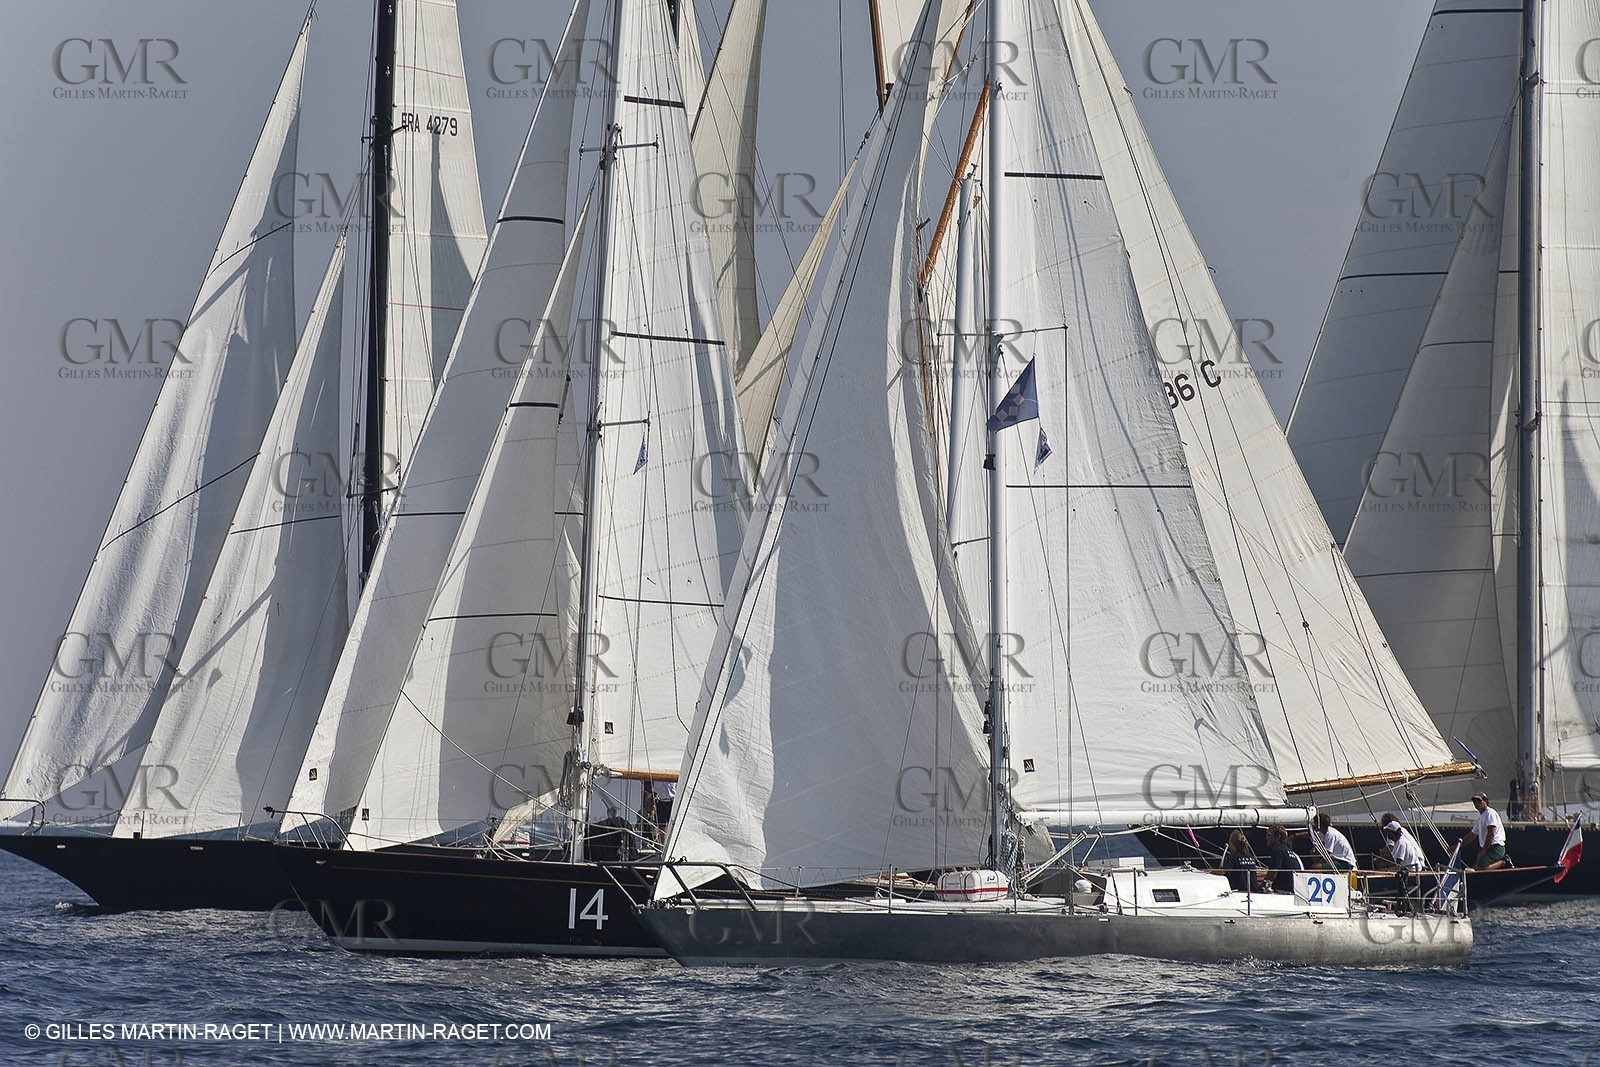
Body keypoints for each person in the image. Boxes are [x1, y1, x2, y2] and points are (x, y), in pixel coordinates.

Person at [1462, 792, 1510, 870]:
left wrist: (1484, 850)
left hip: (1496, 847)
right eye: (1474, 801)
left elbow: (1491, 833)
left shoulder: (1490, 813)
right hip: (1488, 848)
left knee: (1481, 868)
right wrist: (1458, 846)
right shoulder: (1481, 818)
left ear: (1485, 801)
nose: (1476, 803)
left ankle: (1503, 862)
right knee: (1475, 868)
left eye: (1479, 800)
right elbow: (1472, 835)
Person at [1256, 824, 1304, 893]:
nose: (1266, 838)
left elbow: (1272, 874)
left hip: (1284, 890)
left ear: (1278, 837)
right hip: (1295, 889)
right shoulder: (1291, 852)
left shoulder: (1278, 850)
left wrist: (1260, 886)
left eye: (1269, 835)